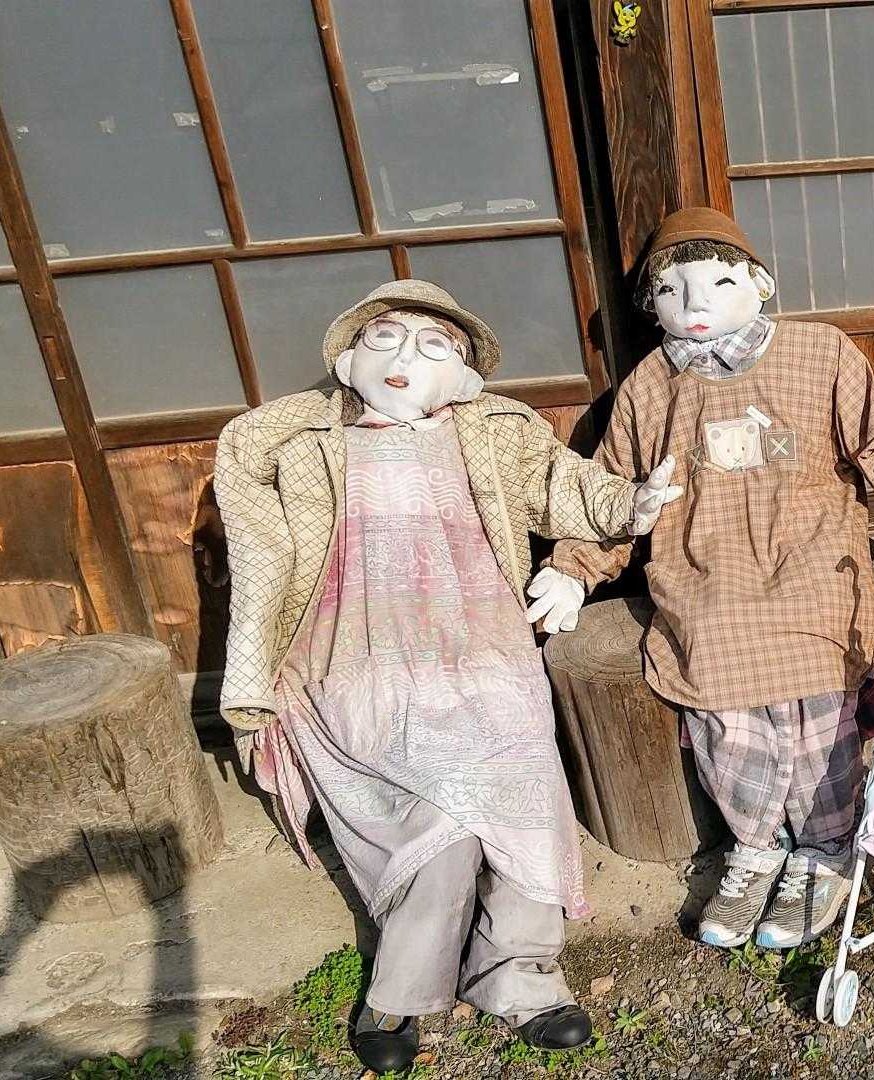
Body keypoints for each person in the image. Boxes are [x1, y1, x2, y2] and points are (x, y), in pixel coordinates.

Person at [215, 280, 680, 1073]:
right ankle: (403, 986)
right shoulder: (287, 443)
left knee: (522, 785)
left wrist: (631, 504)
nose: (405, 358)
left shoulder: (493, 428)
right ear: (347, 358)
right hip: (350, 659)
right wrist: (251, 681)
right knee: (438, 824)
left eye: (435, 346)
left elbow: (562, 487)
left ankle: (520, 972)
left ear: (465, 378)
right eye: (384, 339)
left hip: (483, 651)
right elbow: (262, 567)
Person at [549, 207, 874, 952]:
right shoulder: (648, 387)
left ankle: (827, 847)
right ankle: (757, 848)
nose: (695, 302)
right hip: (705, 574)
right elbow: (612, 490)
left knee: (819, 701)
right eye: (671, 290)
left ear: (760, 283)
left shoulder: (820, 352)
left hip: (811, 559)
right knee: (719, 697)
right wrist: (574, 569)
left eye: (717, 282)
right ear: (651, 306)